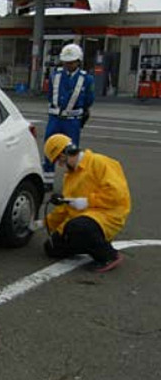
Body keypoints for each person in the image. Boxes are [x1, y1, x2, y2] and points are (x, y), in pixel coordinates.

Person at [35, 134, 130, 273]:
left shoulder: (100, 163)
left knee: (78, 228)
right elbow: (64, 209)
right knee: (52, 248)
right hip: (85, 218)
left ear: (64, 155)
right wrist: (44, 223)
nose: (60, 166)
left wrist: (87, 202)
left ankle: (108, 256)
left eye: (59, 161)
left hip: (108, 215)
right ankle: (94, 241)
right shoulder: (70, 176)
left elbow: (117, 194)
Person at [42, 43, 95, 192]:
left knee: (72, 151)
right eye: (66, 62)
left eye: (71, 62)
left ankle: (71, 181)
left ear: (79, 61)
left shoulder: (87, 79)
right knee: (50, 147)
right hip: (55, 119)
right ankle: (47, 180)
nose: (68, 65)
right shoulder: (55, 75)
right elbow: (50, 95)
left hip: (72, 121)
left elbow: (89, 99)